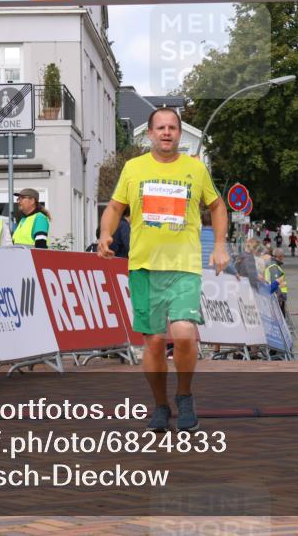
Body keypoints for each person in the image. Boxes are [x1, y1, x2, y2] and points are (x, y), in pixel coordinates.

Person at [97, 107, 228, 433]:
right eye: (160, 128)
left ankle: (184, 395)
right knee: (154, 343)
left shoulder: (194, 170)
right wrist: (105, 234)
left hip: (184, 267)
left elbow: (217, 206)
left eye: (172, 127)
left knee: (184, 333)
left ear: (179, 134)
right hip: (145, 267)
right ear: (151, 134)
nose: (166, 132)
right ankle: (160, 405)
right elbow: (115, 207)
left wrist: (221, 245)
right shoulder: (134, 168)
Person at [265, 248, 289, 316]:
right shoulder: (274, 267)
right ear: (280, 256)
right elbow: (275, 283)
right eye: (283, 256)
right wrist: (280, 299)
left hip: (277, 297)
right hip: (277, 299)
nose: (283, 257)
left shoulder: (274, 264)